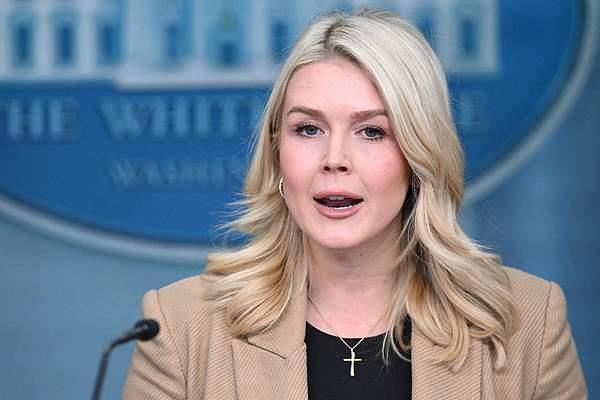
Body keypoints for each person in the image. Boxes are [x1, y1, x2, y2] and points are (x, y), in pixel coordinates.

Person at [122, 9, 587, 400]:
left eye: (372, 131)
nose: (335, 159)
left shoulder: (529, 322)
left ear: (419, 156)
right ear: (277, 152)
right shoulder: (179, 326)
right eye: (308, 129)